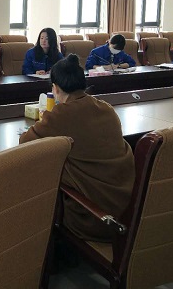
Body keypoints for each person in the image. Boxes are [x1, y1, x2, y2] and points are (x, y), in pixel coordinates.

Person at [19, 54, 134, 241]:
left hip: (93, 216)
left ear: (55, 88)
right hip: (124, 208)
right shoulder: (106, 108)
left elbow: (25, 142)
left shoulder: (61, 114)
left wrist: (47, 117)